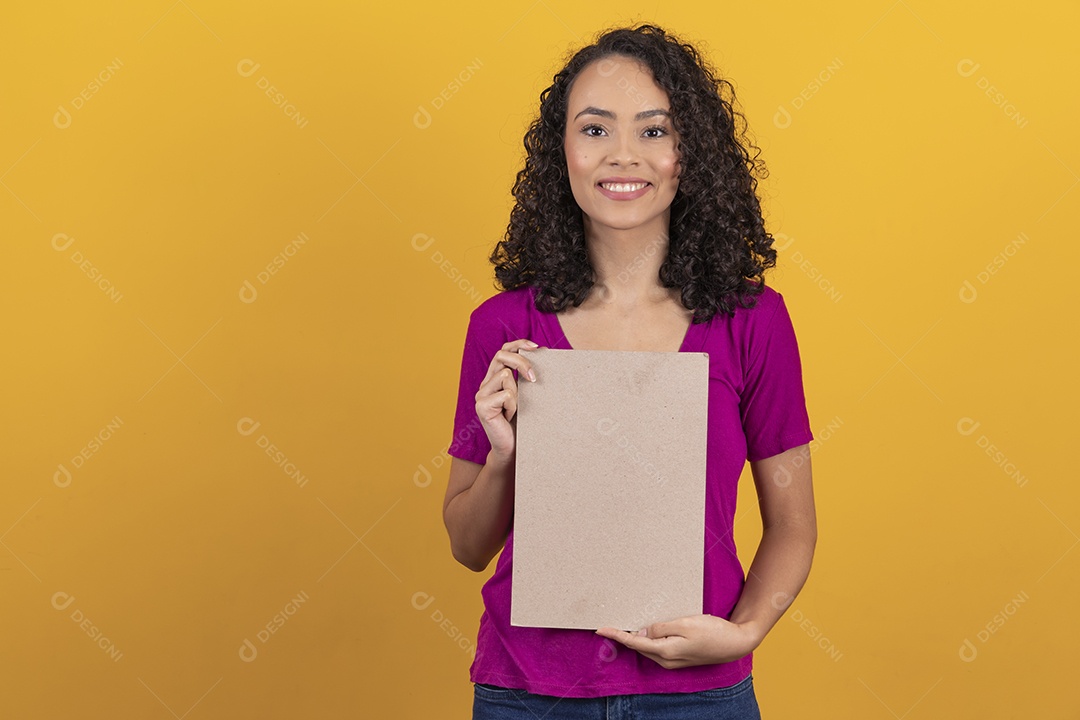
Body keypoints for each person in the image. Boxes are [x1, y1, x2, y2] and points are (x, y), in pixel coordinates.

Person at [442, 23, 816, 719]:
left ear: (689, 154)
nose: (622, 156)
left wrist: (743, 634)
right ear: (563, 154)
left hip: (700, 697)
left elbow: (793, 525)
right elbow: (467, 546)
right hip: (528, 694)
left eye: (653, 131)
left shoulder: (752, 320)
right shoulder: (501, 327)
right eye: (594, 130)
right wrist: (502, 458)